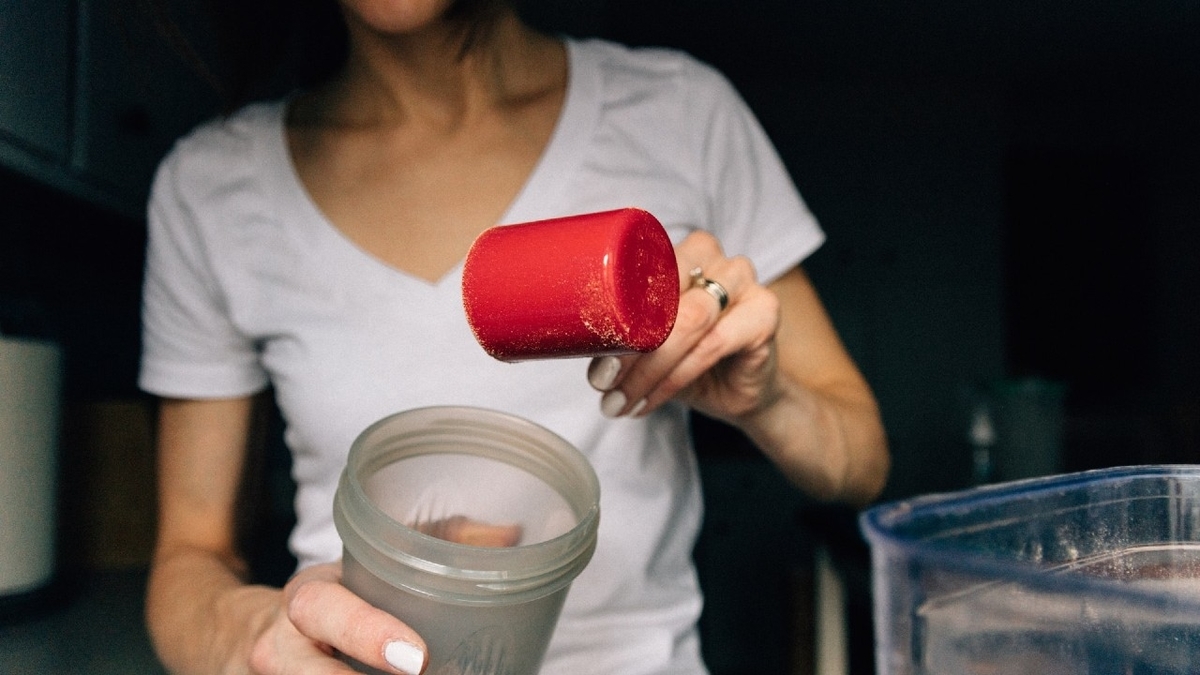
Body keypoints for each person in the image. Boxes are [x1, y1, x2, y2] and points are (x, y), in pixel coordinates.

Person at [138, 0, 890, 673]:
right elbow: (190, 555)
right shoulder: (210, 187)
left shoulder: (682, 112)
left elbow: (861, 464)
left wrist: (768, 397)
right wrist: (250, 635)